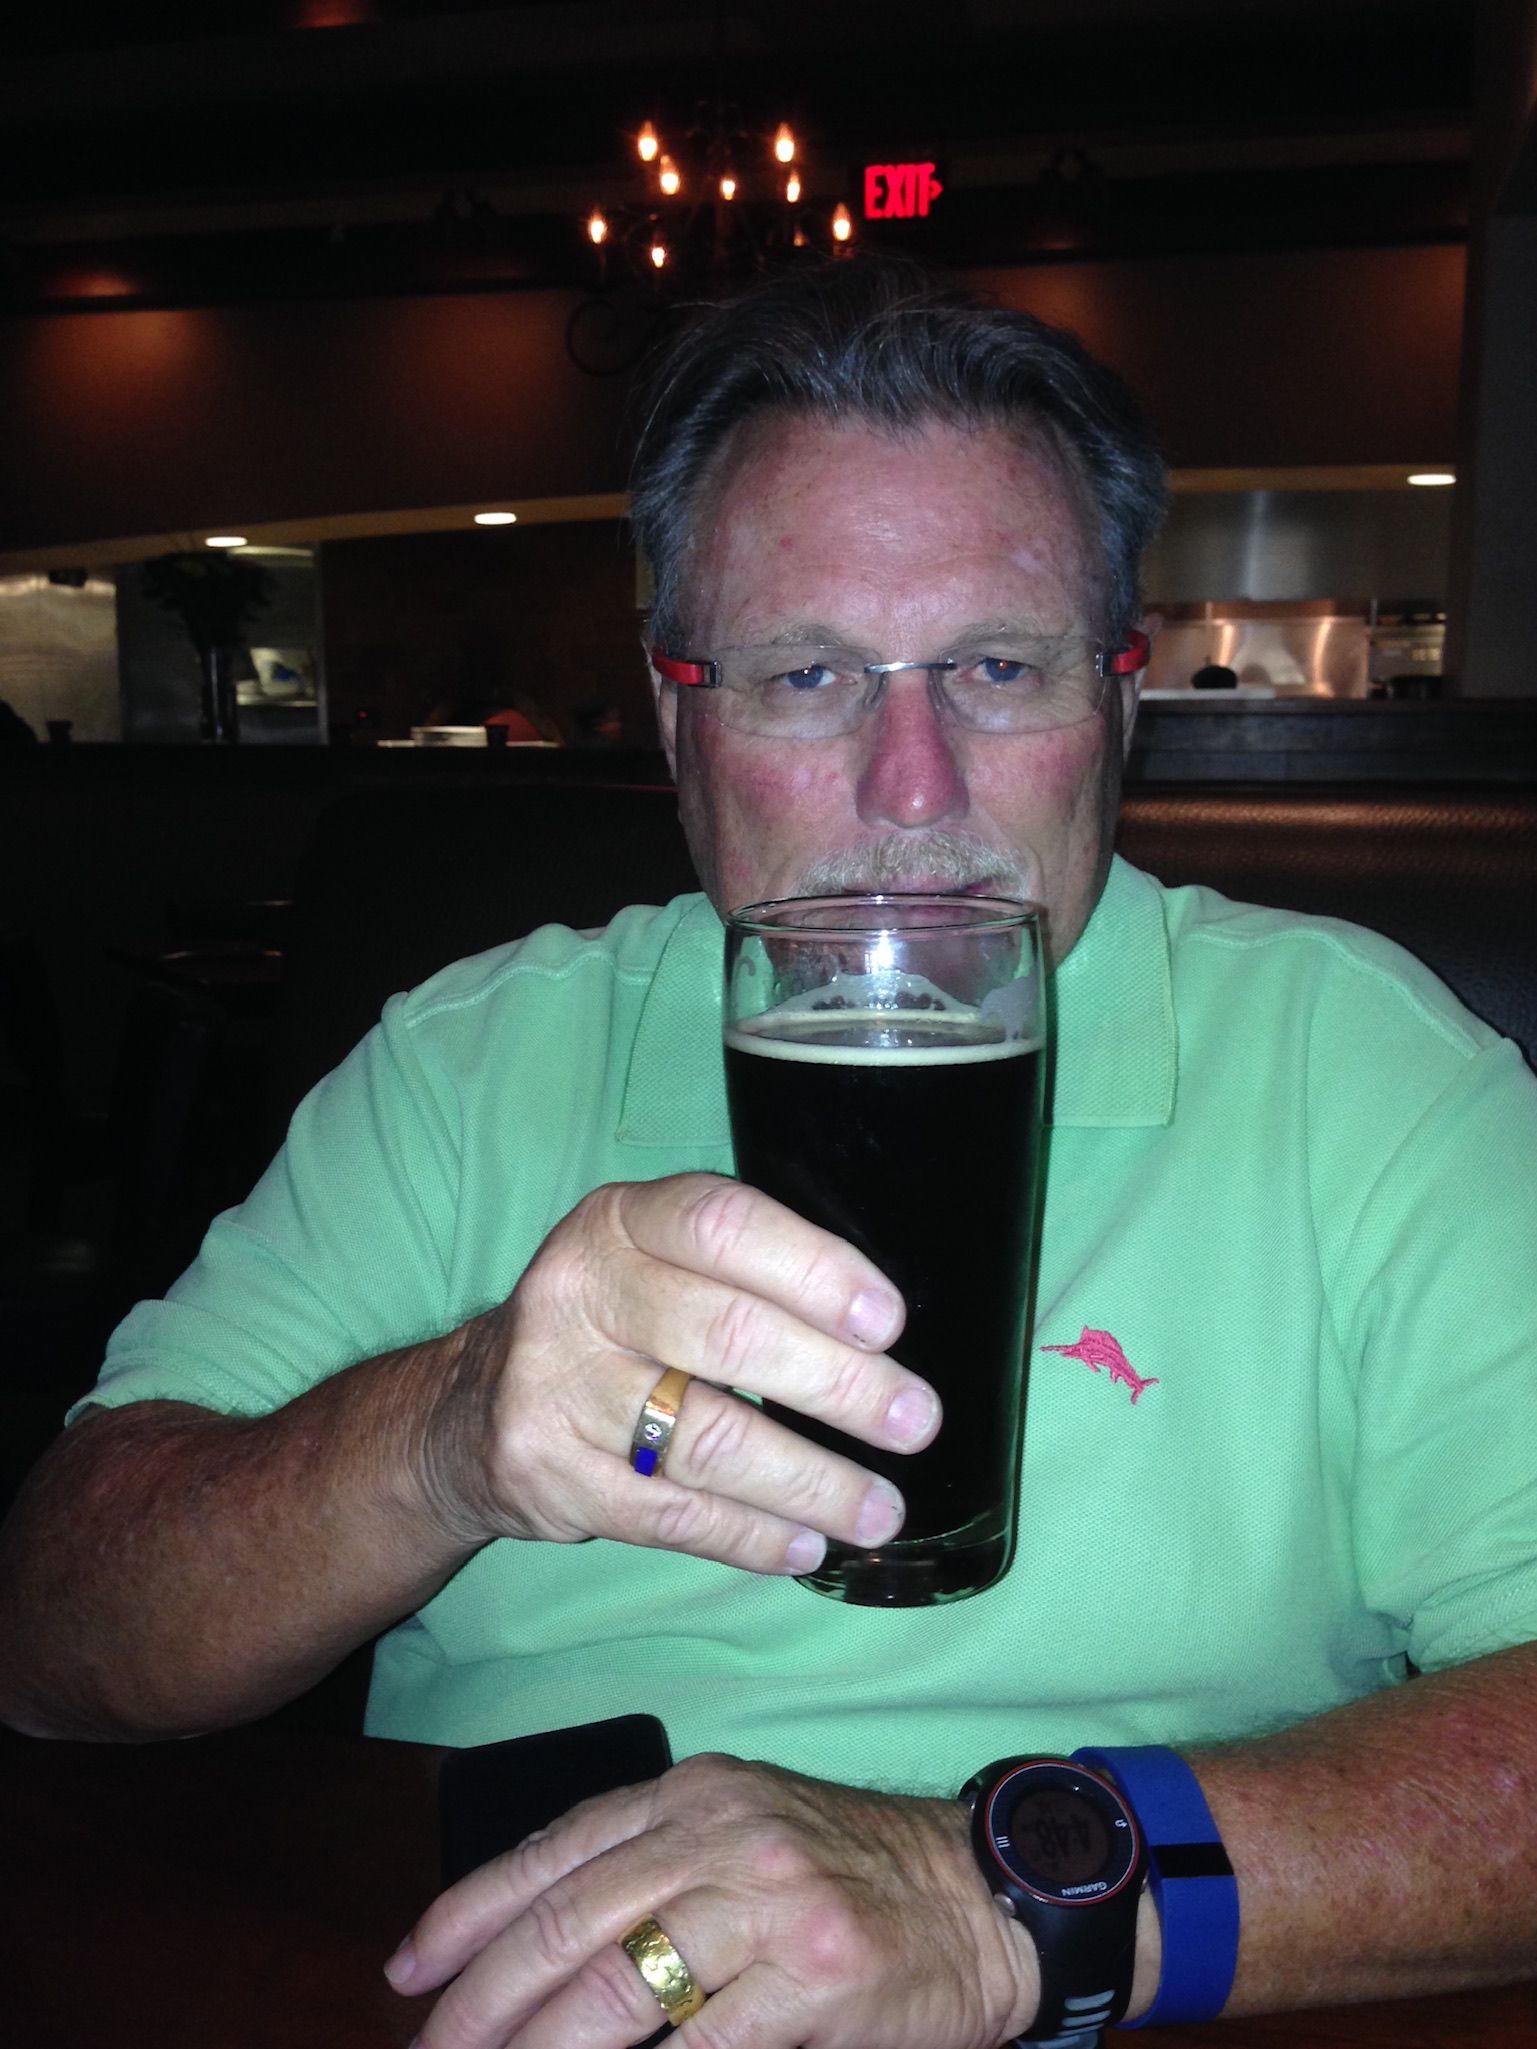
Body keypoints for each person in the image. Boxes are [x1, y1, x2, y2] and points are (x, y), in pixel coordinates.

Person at [1, 259, 1534, 2049]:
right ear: (678, 721)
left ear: (1117, 701)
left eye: (997, 665)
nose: (911, 784)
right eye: (805, 674)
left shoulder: (1359, 1068)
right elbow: (53, 1640)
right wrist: (437, 1432)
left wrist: (993, 1902)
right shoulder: (467, 1062)